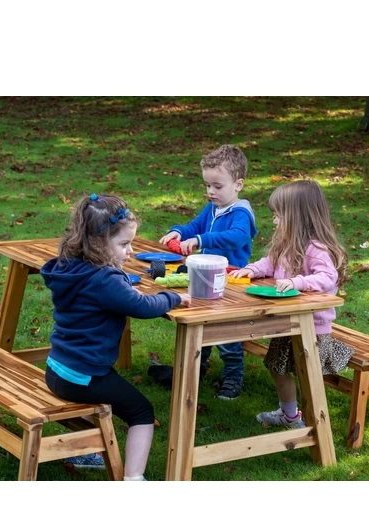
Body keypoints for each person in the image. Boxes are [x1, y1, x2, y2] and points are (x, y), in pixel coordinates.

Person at [40, 193, 191, 479]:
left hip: (57, 368)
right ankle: (134, 479)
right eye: (124, 244)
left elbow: (108, 297)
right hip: (84, 376)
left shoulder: (68, 267)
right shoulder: (105, 279)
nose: (130, 251)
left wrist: (124, 289)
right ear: (98, 243)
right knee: (142, 412)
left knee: (101, 396)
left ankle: (87, 453)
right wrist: (173, 298)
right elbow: (141, 306)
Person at [229, 180, 354, 428]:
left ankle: (315, 423)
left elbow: (327, 277)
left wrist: (298, 282)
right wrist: (252, 270)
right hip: (286, 324)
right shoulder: (286, 244)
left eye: (278, 216)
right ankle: (289, 415)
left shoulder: (317, 249)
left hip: (312, 327)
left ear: (297, 217)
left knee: (308, 374)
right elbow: (269, 263)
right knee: (277, 367)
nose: (274, 222)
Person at [159, 144, 258, 400]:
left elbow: (237, 237)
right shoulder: (213, 208)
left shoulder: (241, 213)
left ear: (238, 184)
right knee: (200, 324)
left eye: (217, 186)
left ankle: (233, 378)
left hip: (230, 280)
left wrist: (202, 240)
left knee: (227, 334)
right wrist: (179, 231)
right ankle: (197, 368)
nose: (211, 191)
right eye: (207, 185)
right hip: (205, 275)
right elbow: (194, 226)